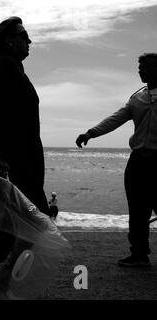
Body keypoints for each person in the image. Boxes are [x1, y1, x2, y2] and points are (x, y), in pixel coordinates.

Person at [76, 53, 157, 268]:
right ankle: (139, 254)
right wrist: (91, 133)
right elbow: (116, 118)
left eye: (145, 66)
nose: (140, 70)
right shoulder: (137, 98)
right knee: (138, 210)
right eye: (139, 67)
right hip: (138, 162)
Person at [0, 17, 49, 215]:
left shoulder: (9, 66)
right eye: (24, 36)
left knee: (20, 222)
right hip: (12, 162)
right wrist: (0, 156)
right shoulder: (4, 67)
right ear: (9, 40)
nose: (29, 41)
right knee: (28, 221)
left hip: (16, 160)